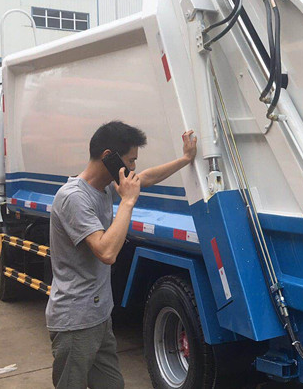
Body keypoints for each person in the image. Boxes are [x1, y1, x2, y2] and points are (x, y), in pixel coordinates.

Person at [46, 121, 197, 389]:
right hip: (75, 321)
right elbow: (106, 252)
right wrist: (127, 202)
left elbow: (146, 178)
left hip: (99, 317)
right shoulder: (73, 198)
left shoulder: (103, 187)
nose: (134, 167)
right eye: (130, 160)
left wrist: (185, 159)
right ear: (108, 157)